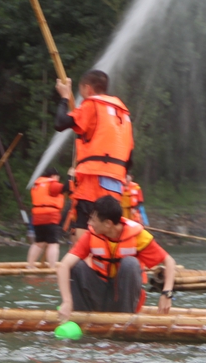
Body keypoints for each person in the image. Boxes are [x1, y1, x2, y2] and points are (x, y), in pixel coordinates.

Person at [56, 195, 175, 319]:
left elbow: (169, 262)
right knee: (77, 266)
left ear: (108, 223)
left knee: (130, 263)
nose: (89, 223)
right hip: (100, 294)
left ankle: (124, 319)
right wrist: (67, 301)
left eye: (93, 220)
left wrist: (166, 294)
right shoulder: (92, 235)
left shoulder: (137, 236)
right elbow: (64, 265)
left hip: (124, 300)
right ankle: (80, 318)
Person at [54, 70, 134, 240]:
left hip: (93, 177)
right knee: (107, 224)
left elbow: (60, 123)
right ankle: (108, 261)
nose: (81, 96)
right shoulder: (124, 114)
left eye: (81, 91)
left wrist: (64, 97)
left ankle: (85, 262)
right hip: (116, 181)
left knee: (85, 223)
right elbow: (130, 154)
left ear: (88, 89)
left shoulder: (92, 105)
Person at [28, 167, 65, 269]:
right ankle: (52, 268)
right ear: (53, 176)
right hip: (50, 217)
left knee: (39, 243)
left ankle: (30, 265)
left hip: (37, 218)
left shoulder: (37, 185)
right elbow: (66, 188)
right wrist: (71, 177)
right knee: (53, 244)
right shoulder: (52, 184)